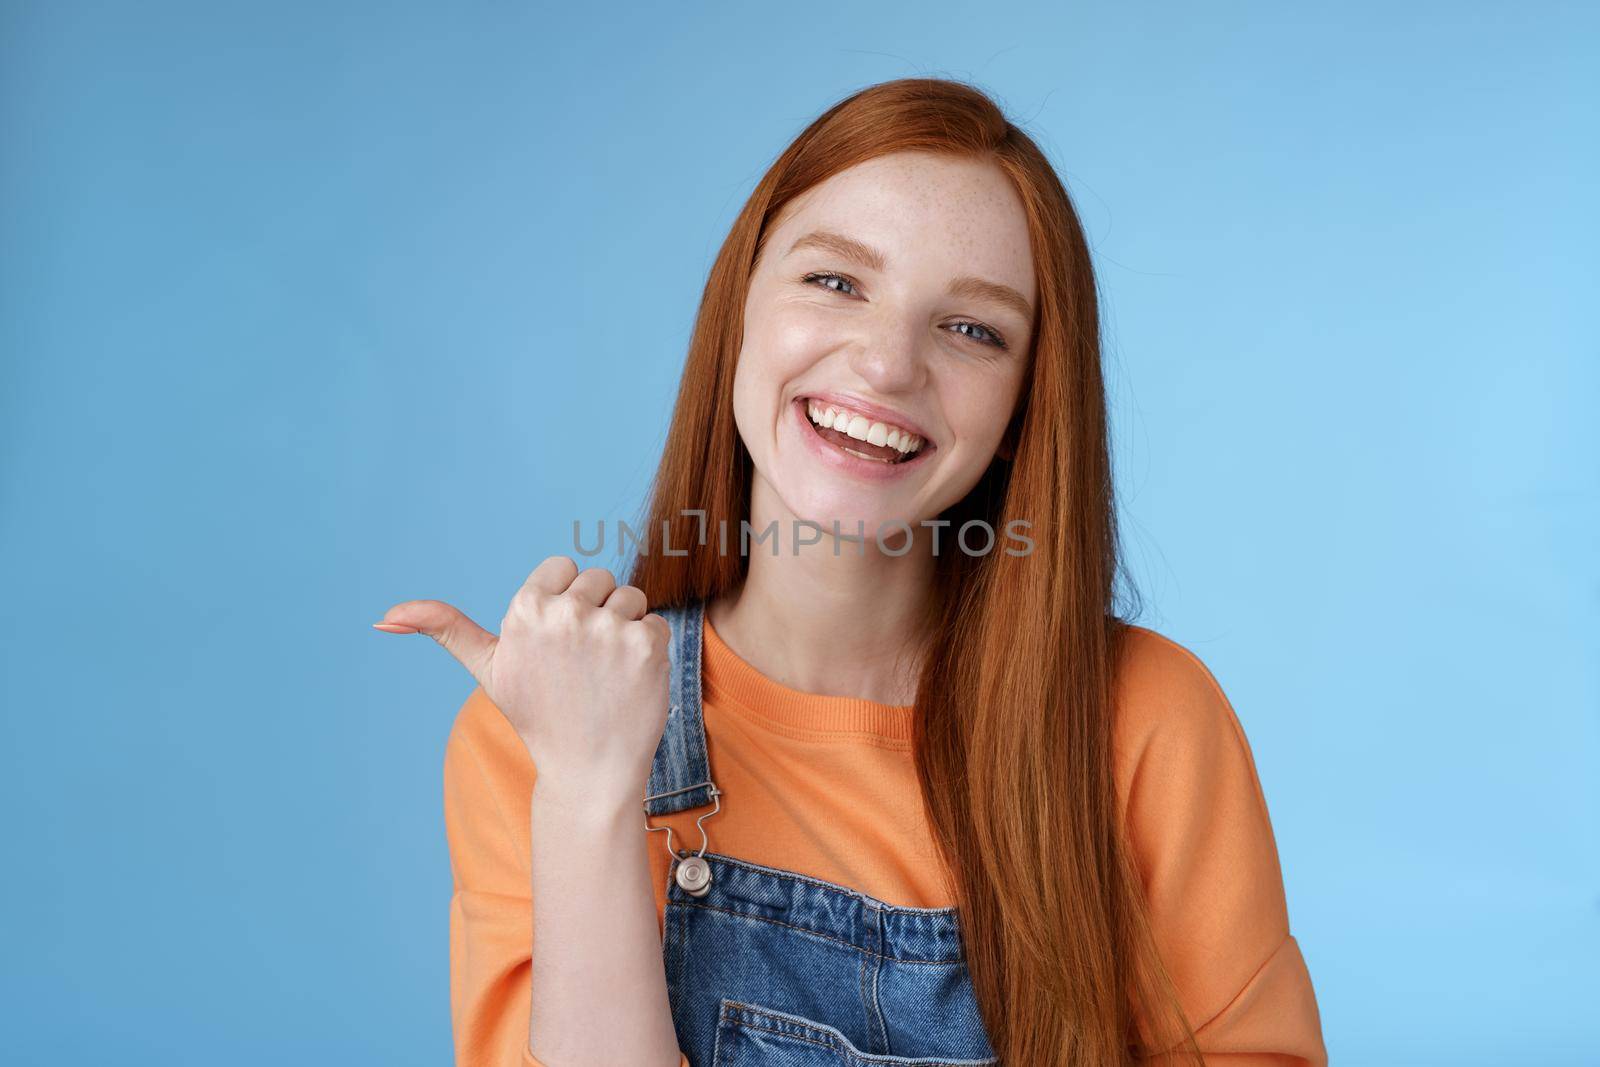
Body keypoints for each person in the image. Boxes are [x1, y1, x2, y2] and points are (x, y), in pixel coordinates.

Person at [375, 77, 1327, 1067]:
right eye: (835, 281)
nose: (885, 365)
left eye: (972, 329)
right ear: (739, 306)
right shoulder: (542, 729)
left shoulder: (1145, 719)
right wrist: (587, 788)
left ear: (1018, 415)